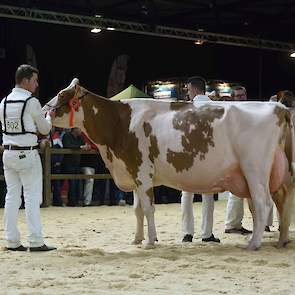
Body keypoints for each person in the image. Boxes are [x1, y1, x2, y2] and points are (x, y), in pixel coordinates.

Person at [0, 64, 56, 251]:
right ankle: (35, 240)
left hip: (8, 153)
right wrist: (49, 117)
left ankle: (12, 241)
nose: (37, 84)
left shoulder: (4, 101)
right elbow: (44, 129)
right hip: (27, 153)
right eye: (34, 80)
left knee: (12, 197)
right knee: (32, 197)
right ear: (25, 81)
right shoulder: (31, 102)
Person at [181, 76, 220, 243]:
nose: (188, 93)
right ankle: (206, 234)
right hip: (208, 155)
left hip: (189, 154)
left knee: (186, 194)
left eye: (189, 90)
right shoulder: (215, 106)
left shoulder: (187, 107)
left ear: (195, 89)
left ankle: (187, 233)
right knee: (208, 195)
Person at [224, 86, 252, 235]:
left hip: (244, 153)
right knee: (236, 190)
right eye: (238, 96)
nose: (241, 98)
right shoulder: (234, 112)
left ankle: (234, 223)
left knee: (239, 191)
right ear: (233, 98)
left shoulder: (247, 111)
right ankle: (232, 224)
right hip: (235, 154)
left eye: (243, 95)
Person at [62, 127, 90, 206]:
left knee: (77, 183)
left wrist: (86, 147)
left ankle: (77, 201)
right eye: (79, 129)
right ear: (74, 129)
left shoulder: (80, 137)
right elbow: (67, 145)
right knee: (72, 183)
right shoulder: (66, 136)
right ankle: (72, 202)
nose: (81, 131)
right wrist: (80, 147)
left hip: (77, 162)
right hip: (68, 162)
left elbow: (83, 144)